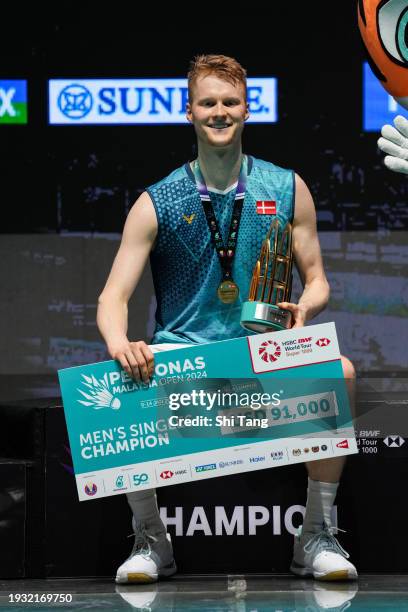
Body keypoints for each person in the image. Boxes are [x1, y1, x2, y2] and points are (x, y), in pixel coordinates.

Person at [97, 54, 357, 583]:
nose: (220, 112)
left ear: (247, 109)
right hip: (184, 351)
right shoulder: (158, 200)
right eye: (208, 102)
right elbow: (112, 296)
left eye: (230, 102)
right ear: (188, 111)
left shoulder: (286, 188)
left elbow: (319, 280)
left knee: (343, 374)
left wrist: (305, 307)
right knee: (119, 385)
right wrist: (119, 341)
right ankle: (152, 541)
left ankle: (316, 534)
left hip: (263, 349)